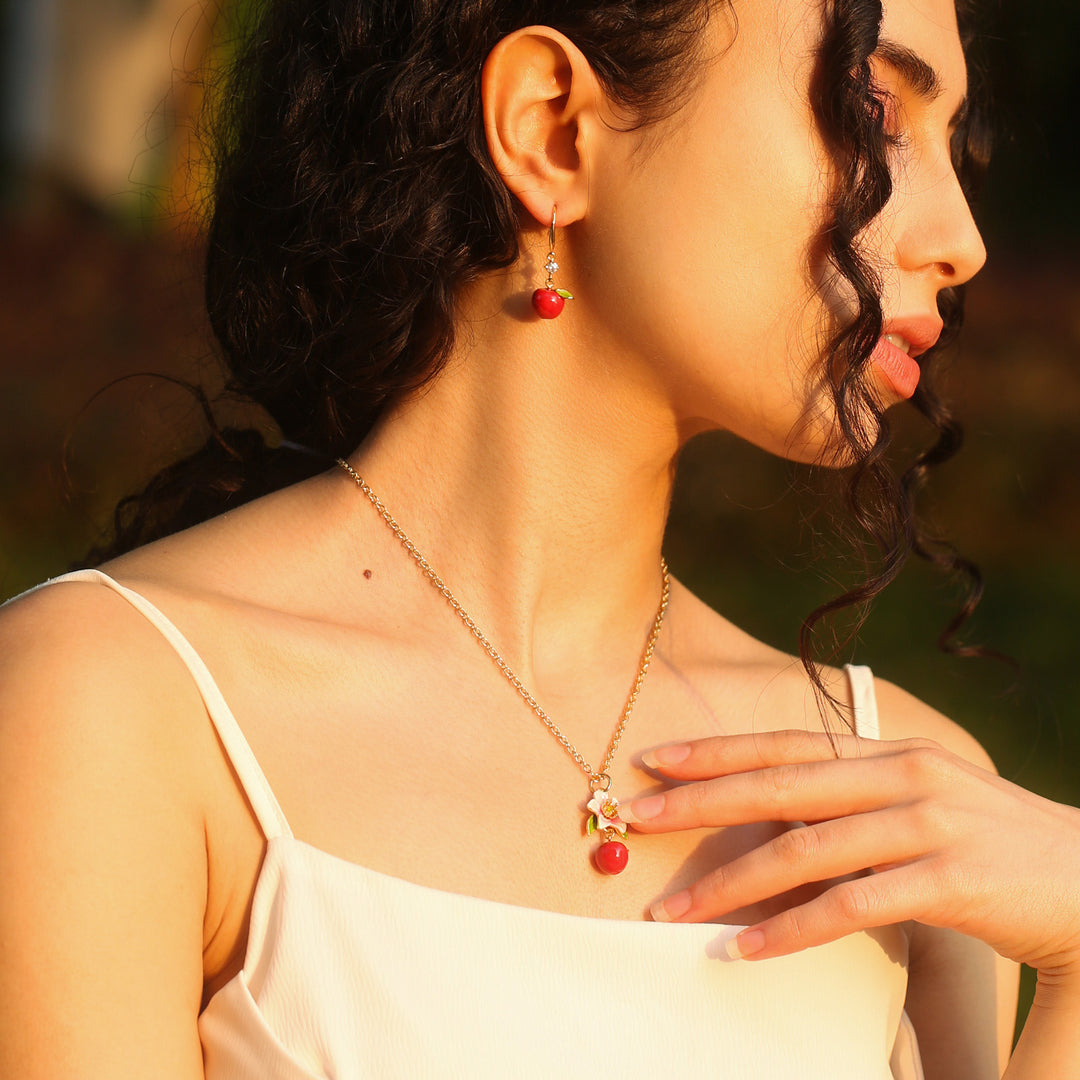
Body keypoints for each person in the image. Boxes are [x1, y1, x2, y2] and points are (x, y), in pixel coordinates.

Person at [2, 0, 1078, 1076]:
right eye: (872, 110)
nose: (964, 241)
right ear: (550, 128)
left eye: (958, 147)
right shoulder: (115, 707)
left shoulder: (915, 806)